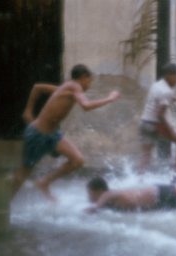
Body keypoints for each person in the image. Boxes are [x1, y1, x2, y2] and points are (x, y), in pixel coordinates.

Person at [12, 64, 120, 201]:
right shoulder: (75, 86)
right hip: (38, 134)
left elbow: (37, 88)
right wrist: (110, 98)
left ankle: (44, 182)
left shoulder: (66, 88)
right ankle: (3, 203)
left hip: (53, 135)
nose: (89, 85)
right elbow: (86, 106)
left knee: (77, 160)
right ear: (83, 77)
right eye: (89, 81)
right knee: (24, 173)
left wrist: (29, 109)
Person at [138, 63, 176, 181]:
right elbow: (160, 116)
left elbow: (168, 97)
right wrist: (171, 131)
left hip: (144, 123)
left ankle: (139, 179)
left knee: (146, 156)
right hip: (156, 124)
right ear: (169, 76)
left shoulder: (157, 85)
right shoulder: (166, 91)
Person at [85, 177, 176, 213]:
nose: (88, 196)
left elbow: (94, 209)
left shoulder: (107, 195)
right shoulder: (111, 200)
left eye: (89, 192)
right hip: (159, 203)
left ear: (98, 191)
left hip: (158, 193)